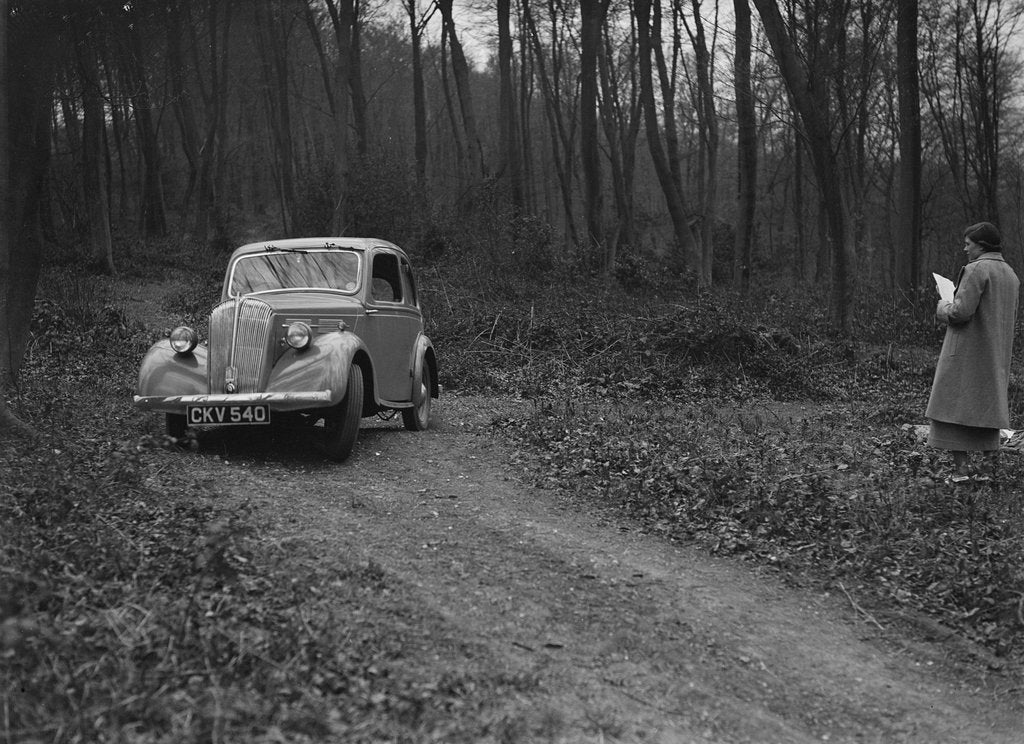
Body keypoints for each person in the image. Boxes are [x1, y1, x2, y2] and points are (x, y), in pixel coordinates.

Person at [926, 221, 1019, 478]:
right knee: (989, 409)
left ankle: (961, 470)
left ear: (981, 245)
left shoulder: (976, 269)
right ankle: (988, 469)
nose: (965, 249)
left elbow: (960, 312)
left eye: (968, 244)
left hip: (966, 353)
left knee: (950, 409)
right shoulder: (1010, 274)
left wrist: (943, 303)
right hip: (995, 354)